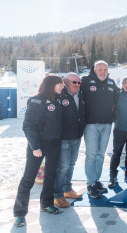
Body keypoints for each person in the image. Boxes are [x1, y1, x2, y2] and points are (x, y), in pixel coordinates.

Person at [13, 75, 64, 227]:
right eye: (59, 84)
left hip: (54, 143)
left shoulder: (58, 99)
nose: (62, 86)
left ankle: (46, 203)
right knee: (29, 178)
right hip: (38, 145)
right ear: (50, 85)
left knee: (50, 174)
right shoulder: (37, 100)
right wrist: (35, 146)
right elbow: (28, 125)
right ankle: (20, 213)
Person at [80, 60, 119, 198]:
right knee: (91, 154)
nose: (103, 72)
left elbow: (119, 97)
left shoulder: (111, 83)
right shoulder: (85, 81)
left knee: (101, 154)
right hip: (90, 124)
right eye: (100, 70)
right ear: (94, 70)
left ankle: (96, 181)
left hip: (107, 124)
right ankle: (90, 183)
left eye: (105, 70)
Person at [53, 73, 86, 208]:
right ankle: (57, 195)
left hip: (77, 136)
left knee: (71, 164)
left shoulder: (81, 95)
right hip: (64, 138)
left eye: (79, 82)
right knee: (63, 167)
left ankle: (67, 190)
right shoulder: (60, 95)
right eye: (74, 82)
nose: (77, 85)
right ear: (66, 82)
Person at [108, 76, 127, 188]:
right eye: (125, 82)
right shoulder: (117, 95)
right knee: (116, 154)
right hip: (119, 130)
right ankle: (112, 177)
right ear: (122, 84)